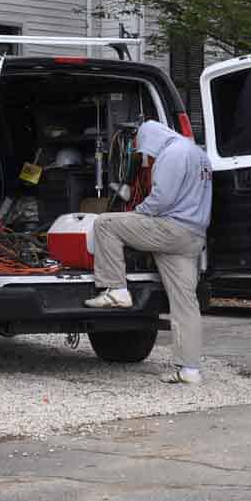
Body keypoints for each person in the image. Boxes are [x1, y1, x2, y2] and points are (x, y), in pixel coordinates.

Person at [84, 120, 213, 385]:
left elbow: (161, 199)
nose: (147, 155)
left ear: (152, 139)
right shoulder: (199, 154)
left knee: (106, 224)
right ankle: (190, 370)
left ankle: (116, 290)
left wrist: (135, 214)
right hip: (193, 236)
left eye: (146, 149)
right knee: (185, 303)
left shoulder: (172, 154)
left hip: (170, 229)